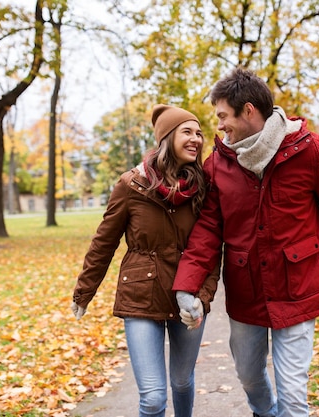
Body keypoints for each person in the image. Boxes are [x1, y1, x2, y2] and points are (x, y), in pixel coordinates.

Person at [173, 68, 319, 417]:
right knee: (249, 376)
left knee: (294, 395)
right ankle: (264, 412)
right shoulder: (218, 164)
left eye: (223, 116)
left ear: (248, 111)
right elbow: (208, 229)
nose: (220, 126)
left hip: (298, 284)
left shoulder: (309, 150)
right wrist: (186, 286)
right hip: (246, 287)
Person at [71, 104, 219, 417]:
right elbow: (104, 242)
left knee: (181, 382)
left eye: (199, 134)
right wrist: (84, 292)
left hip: (188, 297)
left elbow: (210, 248)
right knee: (152, 398)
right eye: (187, 132)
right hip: (141, 296)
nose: (196, 139)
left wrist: (203, 298)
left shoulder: (203, 187)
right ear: (166, 137)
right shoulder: (130, 185)